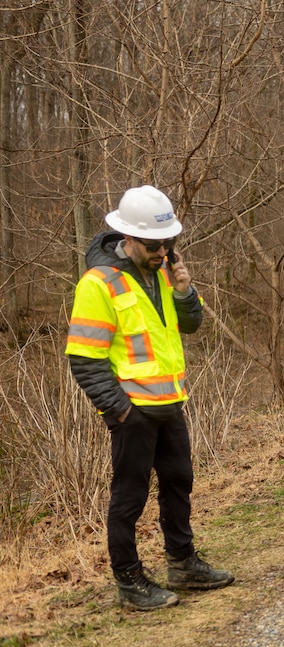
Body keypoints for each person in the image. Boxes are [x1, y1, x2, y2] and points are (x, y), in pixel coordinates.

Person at [65, 185, 234, 611]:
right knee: (129, 497)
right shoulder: (98, 284)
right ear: (129, 238)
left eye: (169, 243)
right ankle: (129, 580)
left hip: (170, 403)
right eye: (156, 245)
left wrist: (183, 289)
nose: (164, 251)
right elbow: (84, 358)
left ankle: (182, 563)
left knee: (179, 484)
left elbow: (190, 325)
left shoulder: (164, 272)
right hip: (132, 412)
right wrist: (119, 411)